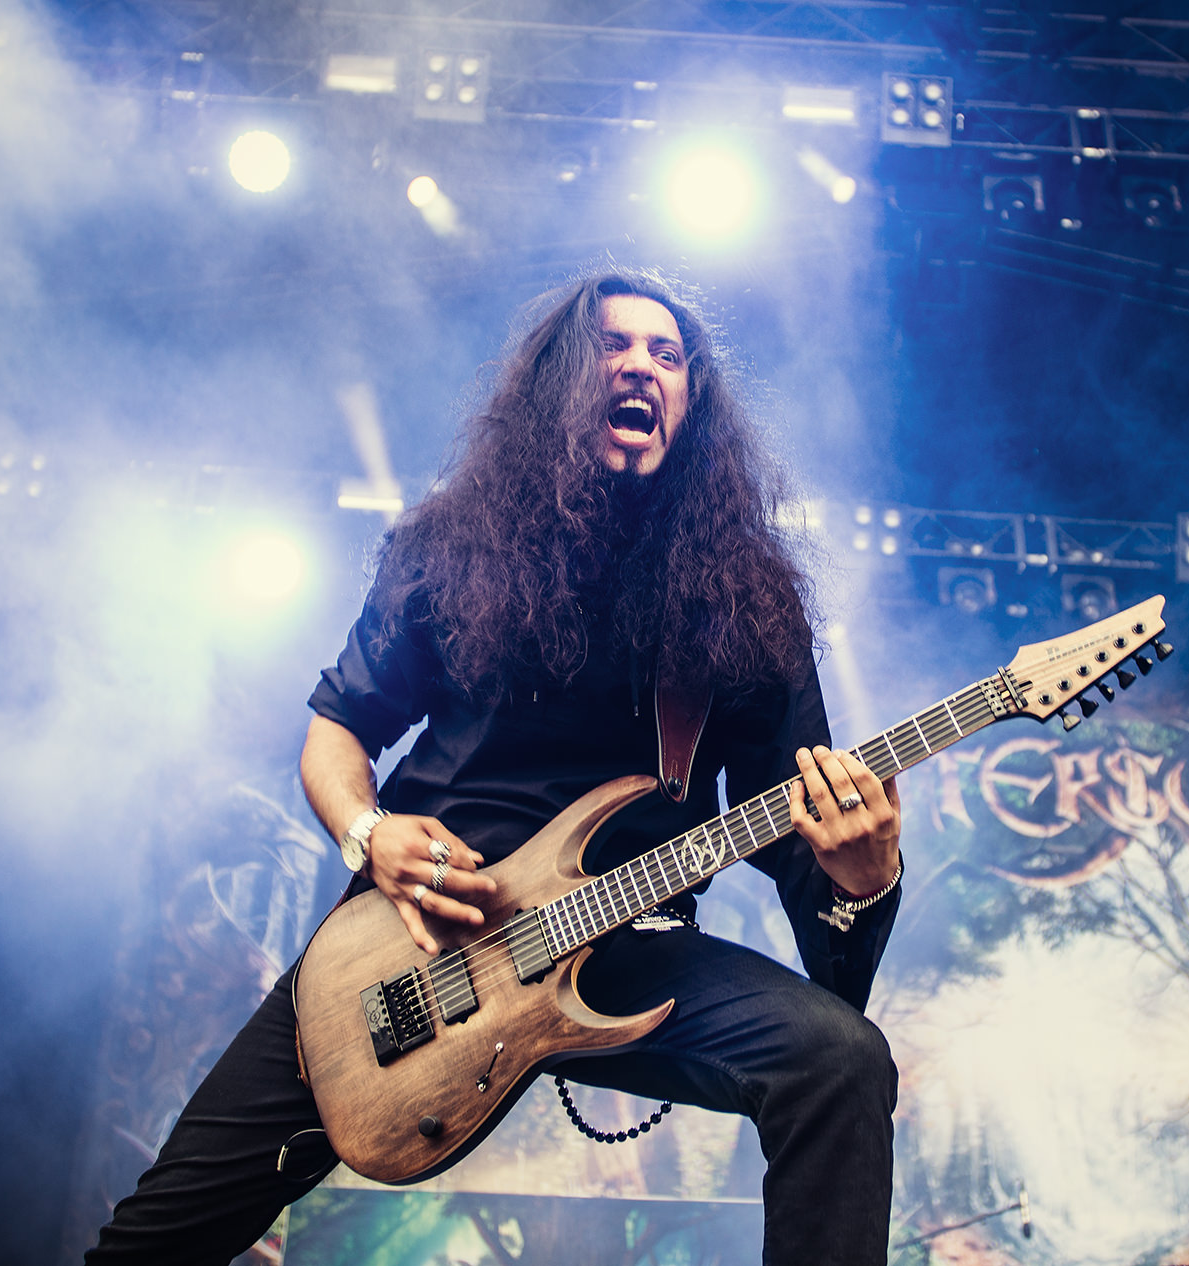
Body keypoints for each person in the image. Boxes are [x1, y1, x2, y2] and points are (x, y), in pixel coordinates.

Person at [86, 271, 905, 1265]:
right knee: (152, 1242)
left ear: (691, 404)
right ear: (558, 381)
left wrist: (863, 878)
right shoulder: (451, 543)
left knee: (838, 1060)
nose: (640, 366)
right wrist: (369, 835)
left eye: (667, 354)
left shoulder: (747, 597)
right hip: (419, 942)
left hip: (626, 942)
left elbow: (802, 846)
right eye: (611, 344)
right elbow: (338, 724)